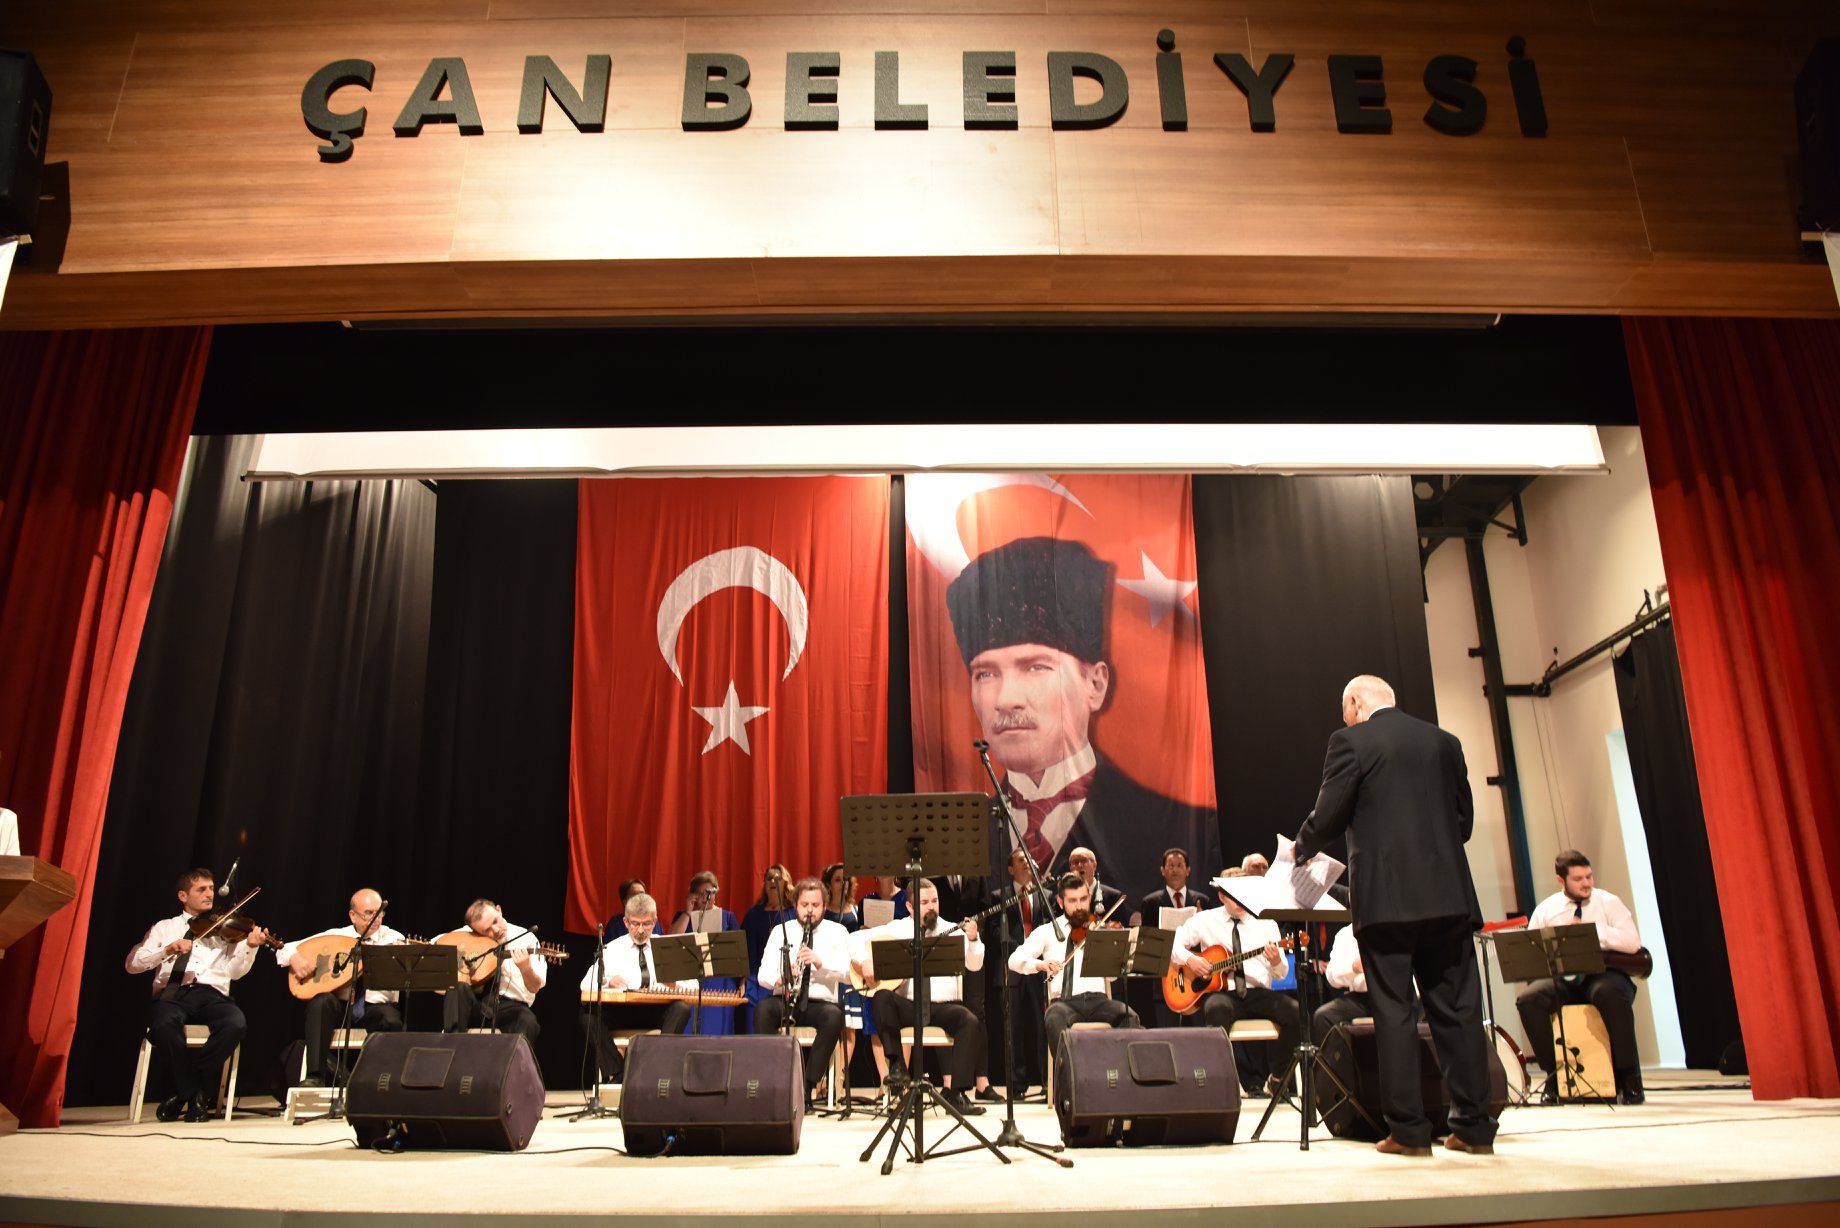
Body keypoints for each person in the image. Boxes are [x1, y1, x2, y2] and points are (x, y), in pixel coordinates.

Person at [945, 535, 1221, 909]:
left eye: (1035, 667)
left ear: (1095, 684)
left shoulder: (1160, 819)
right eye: (986, 674)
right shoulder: (965, 837)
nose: (1006, 699)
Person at [1294, 674, 1497, 1157]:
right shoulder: (1445, 742)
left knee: (1395, 1013)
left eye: (1345, 712)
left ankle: (1408, 1131)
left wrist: (1300, 849)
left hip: (1387, 903)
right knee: (1459, 1011)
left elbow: (1329, 815)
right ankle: (1473, 1128)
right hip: (1449, 898)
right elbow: (1463, 822)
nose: (1346, 720)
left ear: (1355, 702)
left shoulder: (1351, 741)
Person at [125, 867, 269, 1121]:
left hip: (212, 995)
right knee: (164, 1023)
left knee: (235, 1023)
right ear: (183, 896)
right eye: (201, 889)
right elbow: (133, 964)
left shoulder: (225, 929)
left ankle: (185, 1091)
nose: (209, 894)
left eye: (211, 888)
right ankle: (195, 1094)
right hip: (173, 993)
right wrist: (167, 950)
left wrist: (250, 947)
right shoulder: (165, 927)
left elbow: (234, 973)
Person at [1515, 849, 1647, 1104]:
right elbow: (1532, 955)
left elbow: (1633, 942)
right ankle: (1555, 1076)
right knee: (1529, 1000)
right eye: (1578, 879)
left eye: (1589, 877)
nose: (1586, 883)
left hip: (1604, 974)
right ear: (1561, 880)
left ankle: (1629, 1076)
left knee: (1607, 992)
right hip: (1565, 978)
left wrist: (1593, 932)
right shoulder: (1547, 909)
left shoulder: (1608, 902)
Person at [852, 879, 988, 1115]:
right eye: (924, 902)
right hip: (910, 1006)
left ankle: (956, 1093)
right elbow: (853, 939)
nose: (931, 907)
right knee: (882, 996)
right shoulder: (898, 928)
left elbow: (975, 965)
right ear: (910, 907)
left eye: (934, 901)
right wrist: (864, 961)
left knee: (970, 1021)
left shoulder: (953, 929)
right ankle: (897, 1066)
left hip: (942, 1007)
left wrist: (974, 940)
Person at [1170, 868, 1300, 1097]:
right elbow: (1173, 944)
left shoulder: (1266, 922)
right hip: (1224, 993)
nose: (1240, 901)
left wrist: (1276, 961)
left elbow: (1281, 974)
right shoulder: (1205, 920)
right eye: (1233, 895)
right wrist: (1191, 960)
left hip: (1257, 993)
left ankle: (1278, 1079)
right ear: (1221, 896)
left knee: (1295, 1012)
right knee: (1216, 1009)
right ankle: (1224, 1083)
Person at [275, 887, 405, 1088]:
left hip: (374, 1008)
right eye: (369, 913)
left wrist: (403, 956)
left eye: (379, 913)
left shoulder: (393, 938)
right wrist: (294, 958)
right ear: (353, 915)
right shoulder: (337, 936)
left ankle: (381, 1083)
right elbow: (285, 948)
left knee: (390, 1019)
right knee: (321, 1002)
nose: (376, 919)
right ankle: (315, 1077)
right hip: (341, 1007)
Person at [1007, 872, 1141, 1066]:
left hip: (1098, 1001)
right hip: (1064, 1003)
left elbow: (1112, 979)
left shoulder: (1099, 929)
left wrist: (1111, 956)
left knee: (1130, 1016)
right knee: (1053, 1018)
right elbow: (1014, 960)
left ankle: (1120, 1075)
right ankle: (1070, 1079)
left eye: (1083, 899)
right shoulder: (1048, 931)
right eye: (1072, 901)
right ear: (1061, 903)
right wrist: (1040, 965)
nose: (1079, 907)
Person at [754, 876, 851, 1100]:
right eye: (804, 905)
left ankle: (806, 1085)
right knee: (762, 1010)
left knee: (834, 1017)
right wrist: (782, 977)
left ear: (824, 906)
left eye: (815, 905)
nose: (809, 911)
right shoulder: (781, 931)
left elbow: (849, 974)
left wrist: (821, 964)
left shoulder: (838, 932)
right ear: (795, 905)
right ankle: (773, 1081)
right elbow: (762, 976)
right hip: (785, 999)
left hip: (819, 1004)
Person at [580, 892, 692, 1083]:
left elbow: (693, 984)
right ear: (626, 922)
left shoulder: (667, 948)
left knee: (681, 1009)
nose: (640, 930)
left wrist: (675, 984)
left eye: (646, 924)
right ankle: (618, 1073)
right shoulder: (613, 948)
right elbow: (585, 984)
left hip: (656, 1011)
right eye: (635, 924)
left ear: (655, 921)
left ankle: (654, 1070)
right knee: (588, 1015)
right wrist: (608, 981)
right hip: (623, 1011)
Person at [441, 898, 546, 1043]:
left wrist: (525, 968)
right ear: (476, 931)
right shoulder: (470, 935)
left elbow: (534, 987)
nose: (495, 930)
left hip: (510, 1009)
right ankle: (452, 1044)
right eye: (487, 930)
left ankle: (516, 1058)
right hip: (479, 1005)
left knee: (528, 1020)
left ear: (499, 910)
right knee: (458, 988)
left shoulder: (526, 938)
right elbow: (437, 944)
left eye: (495, 921)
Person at [666, 870, 740, 1034]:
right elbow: (670, 940)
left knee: (716, 1028)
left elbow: (737, 951)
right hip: (689, 978)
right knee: (689, 1026)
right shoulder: (683, 916)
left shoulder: (728, 917)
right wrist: (688, 912)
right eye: (700, 894)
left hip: (720, 980)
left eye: (709, 892)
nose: (706, 897)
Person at [1312, 923, 1374, 1045]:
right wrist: (1353, 968)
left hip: (1392, 995)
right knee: (1323, 1016)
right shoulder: (1346, 934)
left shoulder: (1392, 927)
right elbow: (1332, 976)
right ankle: (1338, 1058)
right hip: (1362, 999)